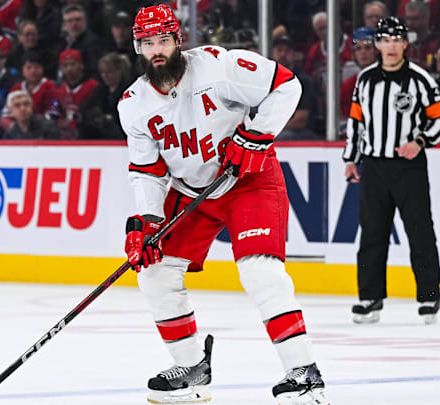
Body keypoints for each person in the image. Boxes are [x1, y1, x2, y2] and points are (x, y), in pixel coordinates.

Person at [117, 5, 328, 405]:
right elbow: (146, 171)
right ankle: (192, 367)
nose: (156, 50)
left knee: (260, 273)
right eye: (147, 43)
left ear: (177, 41)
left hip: (249, 183)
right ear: (137, 48)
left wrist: (257, 135)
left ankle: (303, 373)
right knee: (156, 273)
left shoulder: (218, 65)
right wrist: (145, 222)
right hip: (191, 192)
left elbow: (286, 85)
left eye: (163, 40)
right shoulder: (133, 104)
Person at [343, 17, 440, 325]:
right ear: (377, 44)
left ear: (405, 44)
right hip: (374, 166)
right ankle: (369, 298)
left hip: (408, 167)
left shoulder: (420, 79)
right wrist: (350, 159)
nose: (390, 46)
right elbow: (356, 123)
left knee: (419, 231)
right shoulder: (364, 80)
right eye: (384, 40)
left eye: (396, 39)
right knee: (372, 233)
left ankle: (429, 296)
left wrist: (421, 141)